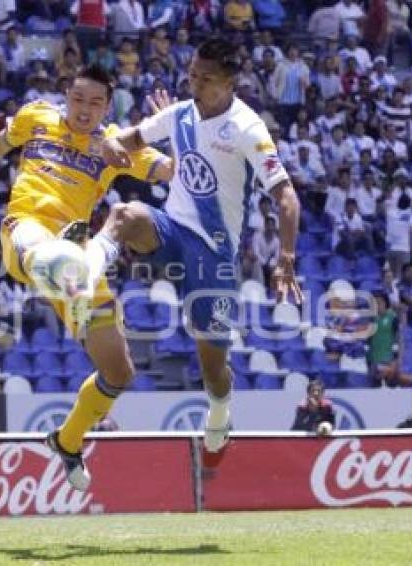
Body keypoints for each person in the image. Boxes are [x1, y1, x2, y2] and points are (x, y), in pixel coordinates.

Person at [0, 64, 172, 491]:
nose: (85, 110)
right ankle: (60, 260)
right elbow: (1, 143)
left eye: (95, 103)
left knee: (119, 370)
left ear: (107, 106)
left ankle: (67, 441)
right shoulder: (37, 117)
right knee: (42, 246)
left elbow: (172, 172)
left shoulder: (116, 143)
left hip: (78, 258)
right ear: (66, 95)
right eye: (78, 99)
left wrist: (176, 132)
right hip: (26, 233)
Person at [98, 38, 301, 466]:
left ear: (228, 83)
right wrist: (114, 144)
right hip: (172, 231)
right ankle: (87, 265)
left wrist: (285, 260)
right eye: (191, 73)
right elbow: (130, 139)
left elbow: (286, 197)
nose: (194, 82)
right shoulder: (180, 114)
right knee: (125, 214)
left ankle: (220, 415)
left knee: (212, 367)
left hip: (214, 258)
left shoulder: (248, 128)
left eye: (204, 78)